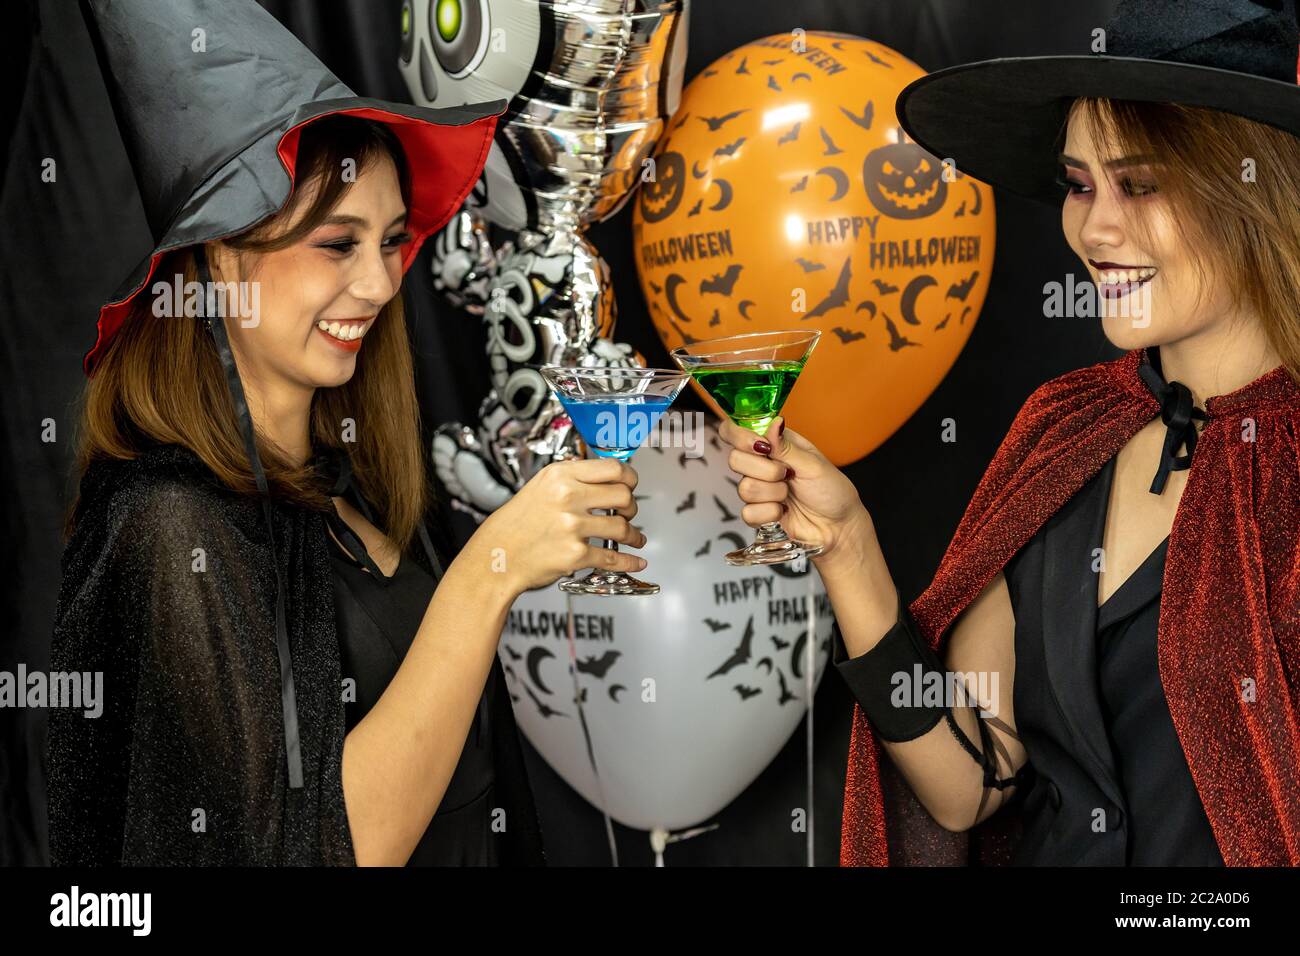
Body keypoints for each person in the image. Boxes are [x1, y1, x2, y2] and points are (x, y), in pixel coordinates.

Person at [47, 0, 647, 867]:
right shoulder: (166, 526)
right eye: (337, 243)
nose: (376, 284)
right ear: (220, 257)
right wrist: (490, 575)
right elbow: (320, 850)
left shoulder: (364, 483)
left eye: (393, 241)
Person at [720, 0, 1300, 866]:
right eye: (1078, 184)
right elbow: (973, 783)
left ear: (1253, 191)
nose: (1095, 228)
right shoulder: (1064, 429)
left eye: (1139, 184)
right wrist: (848, 548)